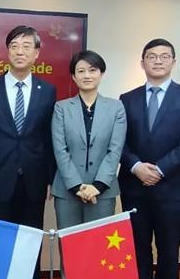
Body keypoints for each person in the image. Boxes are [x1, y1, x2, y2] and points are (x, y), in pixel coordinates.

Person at [118, 38, 180, 279]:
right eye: (151, 56)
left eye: (164, 56)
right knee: (138, 248)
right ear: (142, 63)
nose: (157, 61)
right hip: (135, 188)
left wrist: (159, 169)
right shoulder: (127, 99)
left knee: (169, 250)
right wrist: (136, 167)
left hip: (172, 187)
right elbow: (119, 141)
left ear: (173, 62)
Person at [0, 26, 57, 235]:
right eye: (14, 46)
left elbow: (49, 138)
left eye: (26, 46)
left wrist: (51, 178)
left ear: (36, 53)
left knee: (31, 241)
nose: (20, 51)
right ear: (8, 51)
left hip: (34, 180)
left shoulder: (47, 91)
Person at [50, 50, 127, 228]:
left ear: (101, 74)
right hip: (67, 190)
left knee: (98, 244)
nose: (87, 75)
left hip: (103, 190)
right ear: (73, 77)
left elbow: (115, 150)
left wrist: (98, 185)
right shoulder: (61, 108)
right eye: (81, 71)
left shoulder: (116, 107)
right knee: (70, 243)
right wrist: (77, 186)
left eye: (92, 70)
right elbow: (60, 149)